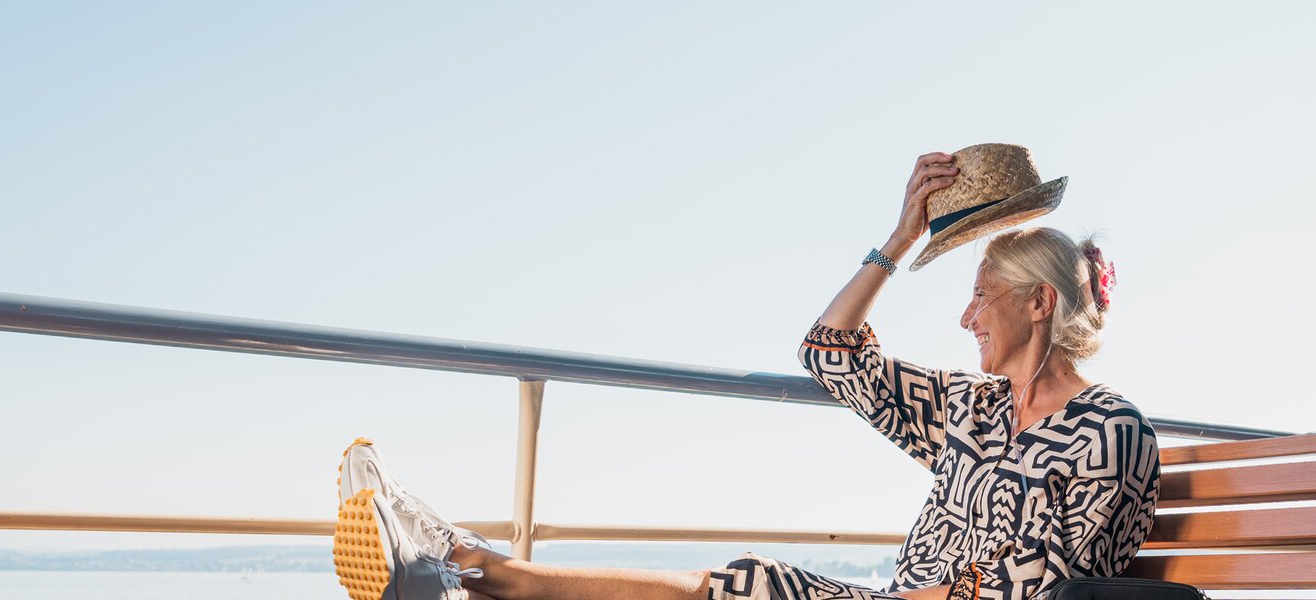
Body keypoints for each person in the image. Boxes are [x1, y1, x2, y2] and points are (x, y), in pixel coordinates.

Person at [330, 151, 1161, 600]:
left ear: (1040, 304)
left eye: (982, 297)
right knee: (742, 579)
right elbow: (831, 353)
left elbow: (1038, 594)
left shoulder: (1110, 435)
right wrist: (897, 237)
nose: (966, 317)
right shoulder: (973, 408)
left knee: (747, 589)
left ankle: (455, 565)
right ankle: (463, 565)